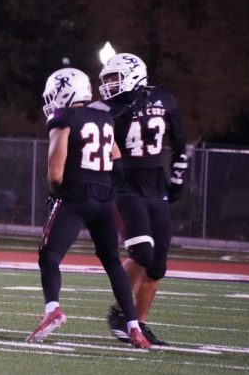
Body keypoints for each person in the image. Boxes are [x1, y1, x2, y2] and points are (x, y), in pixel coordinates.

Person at [26, 67, 150, 348]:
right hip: (104, 198)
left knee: (49, 256)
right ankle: (133, 326)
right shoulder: (103, 117)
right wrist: (109, 188)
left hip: (76, 195)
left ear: (66, 91)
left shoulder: (63, 117)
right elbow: (116, 156)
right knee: (113, 263)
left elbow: (55, 172)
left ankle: (53, 309)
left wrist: (57, 194)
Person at [99, 53, 188, 346]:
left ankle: (140, 324)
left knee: (157, 264)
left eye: (114, 78)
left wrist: (178, 174)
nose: (109, 85)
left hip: (155, 186)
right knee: (142, 252)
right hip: (125, 187)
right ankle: (120, 313)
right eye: (107, 79)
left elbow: (179, 141)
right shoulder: (110, 109)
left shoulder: (163, 98)